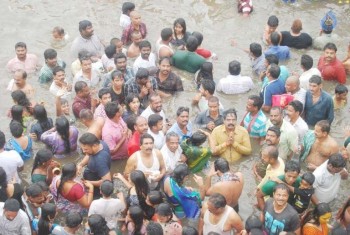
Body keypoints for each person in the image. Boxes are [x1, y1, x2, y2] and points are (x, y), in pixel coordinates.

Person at [78, 133, 112, 198]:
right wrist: (81, 165)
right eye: (82, 149)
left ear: (95, 146)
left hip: (96, 181)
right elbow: (89, 155)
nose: (83, 151)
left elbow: (107, 181)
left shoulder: (100, 161)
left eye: (86, 149)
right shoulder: (101, 143)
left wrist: (88, 182)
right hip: (94, 173)